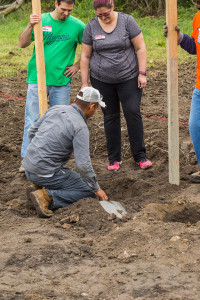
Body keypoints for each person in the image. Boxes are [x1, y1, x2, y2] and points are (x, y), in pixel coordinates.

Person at [80, 0, 152, 171]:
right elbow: (85, 56)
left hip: (129, 77)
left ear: (112, 6)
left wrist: (142, 73)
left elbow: (140, 48)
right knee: (110, 116)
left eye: (106, 13)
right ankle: (114, 159)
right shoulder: (91, 27)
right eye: (100, 15)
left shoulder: (127, 21)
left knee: (132, 112)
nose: (104, 17)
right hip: (101, 79)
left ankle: (140, 156)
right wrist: (84, 83)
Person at [19, 0, 85, 172]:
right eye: (63, 9)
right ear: (56, 4)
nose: (66, 14)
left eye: (70, 10)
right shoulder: (40, 20)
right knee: (32, 120)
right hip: (36, 79)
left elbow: (89, 49)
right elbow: (22, 43)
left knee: (59, 122)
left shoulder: (77, 26)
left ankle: (53, 161)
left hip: (61, 82)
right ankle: (27, 159)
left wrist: (77, 65)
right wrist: (29, 26)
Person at [23, 87, 108, 218]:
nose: (96, 111)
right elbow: (83, 165)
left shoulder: (56, 109)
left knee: (69, 176)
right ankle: (46, 197)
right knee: (88, 191)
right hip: (45, 173)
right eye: (97, 108)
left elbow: (32, 132)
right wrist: (96, 188)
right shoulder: (80, 126)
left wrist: (37, 155)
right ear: (91, 106)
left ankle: (39, 188)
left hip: (28, 167)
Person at [163, 0, 200, 182]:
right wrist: (179, 38)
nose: (196, 3)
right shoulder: (198, 17)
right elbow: (195, 47)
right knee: (195, 126)